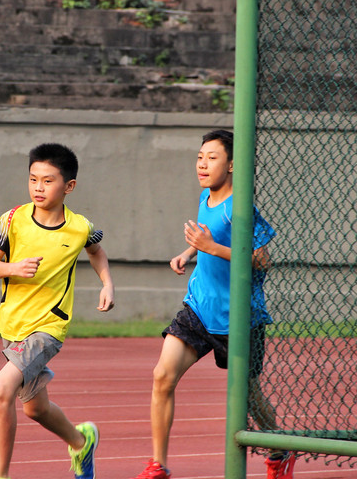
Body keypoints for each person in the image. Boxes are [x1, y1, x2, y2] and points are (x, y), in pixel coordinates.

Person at [131, 130, 294, 479]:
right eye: (200, 156)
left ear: (232, 164)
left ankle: (280, 448)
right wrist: (189, 251)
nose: (202, 164)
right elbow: (208, 230)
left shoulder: (241, 206)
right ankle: (157, 465)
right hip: (199, 309)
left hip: (238, 318)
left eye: (212, 157)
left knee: (250, 398)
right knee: (162, 376)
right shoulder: (207, 195)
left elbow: (261, 260)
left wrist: (210, 247)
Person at [0, 143, 116, 479]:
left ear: (68, 186)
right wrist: (14, 268)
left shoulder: (80, 227)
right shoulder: (12, 219)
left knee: (1, 391)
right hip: (13, 324)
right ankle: (80, 441)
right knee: (35, 409)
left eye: (47, 181)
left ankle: (0, 474)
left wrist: (107, 284)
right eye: (33, 180)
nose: (38, 188)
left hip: (48, 328)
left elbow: (97, 251)